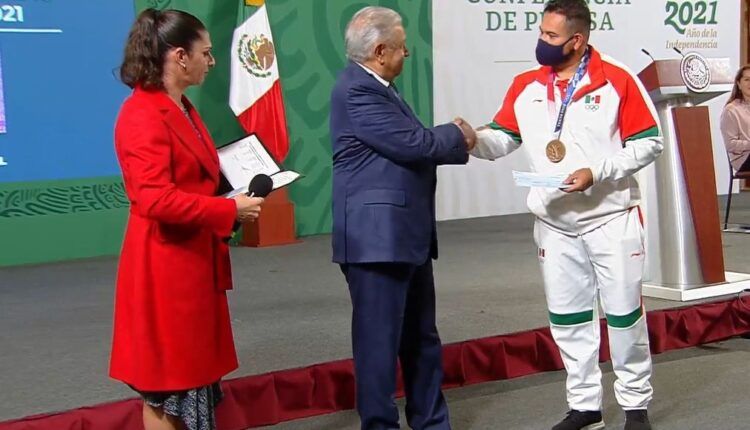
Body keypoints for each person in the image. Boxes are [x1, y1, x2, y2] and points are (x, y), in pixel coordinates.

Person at [466, 1, 663, 429]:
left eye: (551, 36)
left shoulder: (617, 79)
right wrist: (472, 140)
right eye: (541, 32)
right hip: (554, 224)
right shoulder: (526, 84)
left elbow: (649, 142)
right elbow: (503, 138)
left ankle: (635, 406)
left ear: (577, 40)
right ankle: (585, 408)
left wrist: (597, 171)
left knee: (625, 316)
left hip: (611, 219)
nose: (542, 41)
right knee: (569, 319)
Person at [109, 9, 264, 430]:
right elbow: (154, 199)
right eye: (206, 53)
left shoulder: (180, 107)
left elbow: (192, 182)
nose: (210, 62)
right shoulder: (142, 114)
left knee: (189, 383)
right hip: (166, 272)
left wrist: (229, 200)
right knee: (166, 390)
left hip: (192, 265)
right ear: (180, 56)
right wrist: (229, 209)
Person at [329, 6, 475, 430]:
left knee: (421, 338)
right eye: (401, 46)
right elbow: (413, 143)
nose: (407, 53)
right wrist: (458, 133)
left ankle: (431, 423)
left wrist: (449, 137)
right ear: (379, 51)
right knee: (378, 346)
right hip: (376, 241)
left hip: (404, 237)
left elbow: (413, 143)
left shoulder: (379, 87)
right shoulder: (357, 90)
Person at [720, 65, 750, 173]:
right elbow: (730, 144)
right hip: (743, 158)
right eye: (747, 80)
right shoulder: (731, 110)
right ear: (739, 84)